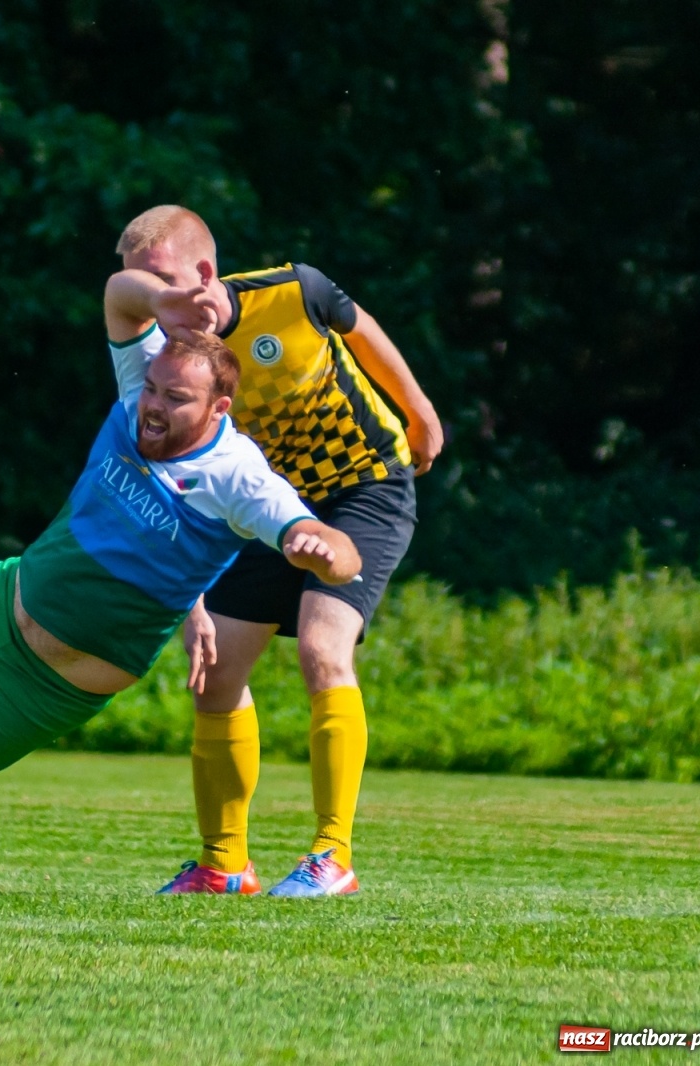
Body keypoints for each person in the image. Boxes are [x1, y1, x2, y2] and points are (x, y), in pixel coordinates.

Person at [0, 326, 361, 856]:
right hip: (5, 597)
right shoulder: (136, 395)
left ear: (219, 407)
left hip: (50, 684)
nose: (153, 406)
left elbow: (329, 545)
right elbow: (123, 290)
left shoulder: (240, 477)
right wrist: (162, 299)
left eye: (176, 398)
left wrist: (323, 550)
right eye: (154, 388)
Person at [106, 205, 444, 897]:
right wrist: (191, 601)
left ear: (204, 275)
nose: (154, 299)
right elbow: (172, 486)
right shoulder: (163, 365)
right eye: (139, 284)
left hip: (363, 486)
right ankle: (223, 865)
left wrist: (419, 413)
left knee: (324, 650)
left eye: (163, 281)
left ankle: (333, 857)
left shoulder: (294, 291)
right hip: (267, 509)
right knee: (214, 673)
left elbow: (362, 328)